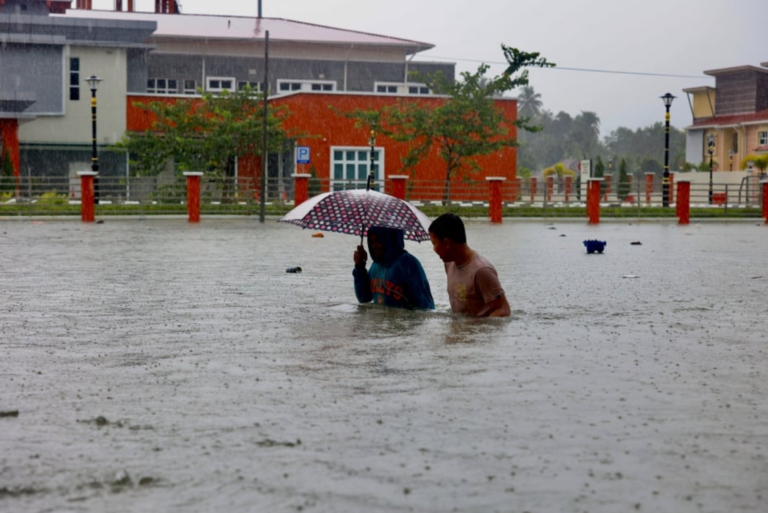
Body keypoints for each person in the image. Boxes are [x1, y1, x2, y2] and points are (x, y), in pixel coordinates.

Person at [428, 213, 510, 317]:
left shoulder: (482, 270)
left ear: (446, 243)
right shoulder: (449, 264)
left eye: (434, 243)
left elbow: (503, 310)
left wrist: (476, 329)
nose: (433, 249)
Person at [353, 226, 435, 310]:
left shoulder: (408, 263)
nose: (373, 246)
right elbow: (364, 298)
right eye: (371, 241)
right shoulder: (376, 265)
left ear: (389, 239)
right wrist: (359, 267)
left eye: (378, 240)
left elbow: (426, 306)